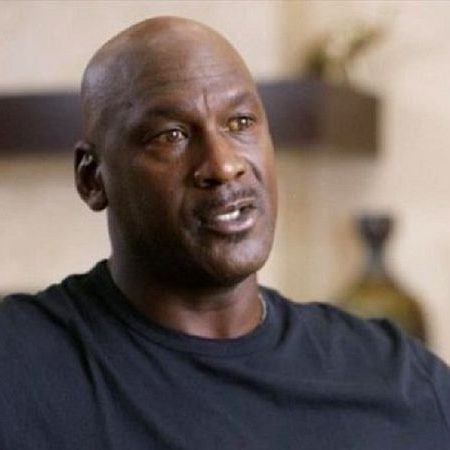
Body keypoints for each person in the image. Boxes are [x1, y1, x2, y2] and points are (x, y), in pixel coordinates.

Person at [1, 16, 449, 450]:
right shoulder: (18, 369)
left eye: (240, 123)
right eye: (171, 135)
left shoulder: (400, 380)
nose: (223, 165)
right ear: (91, 178)